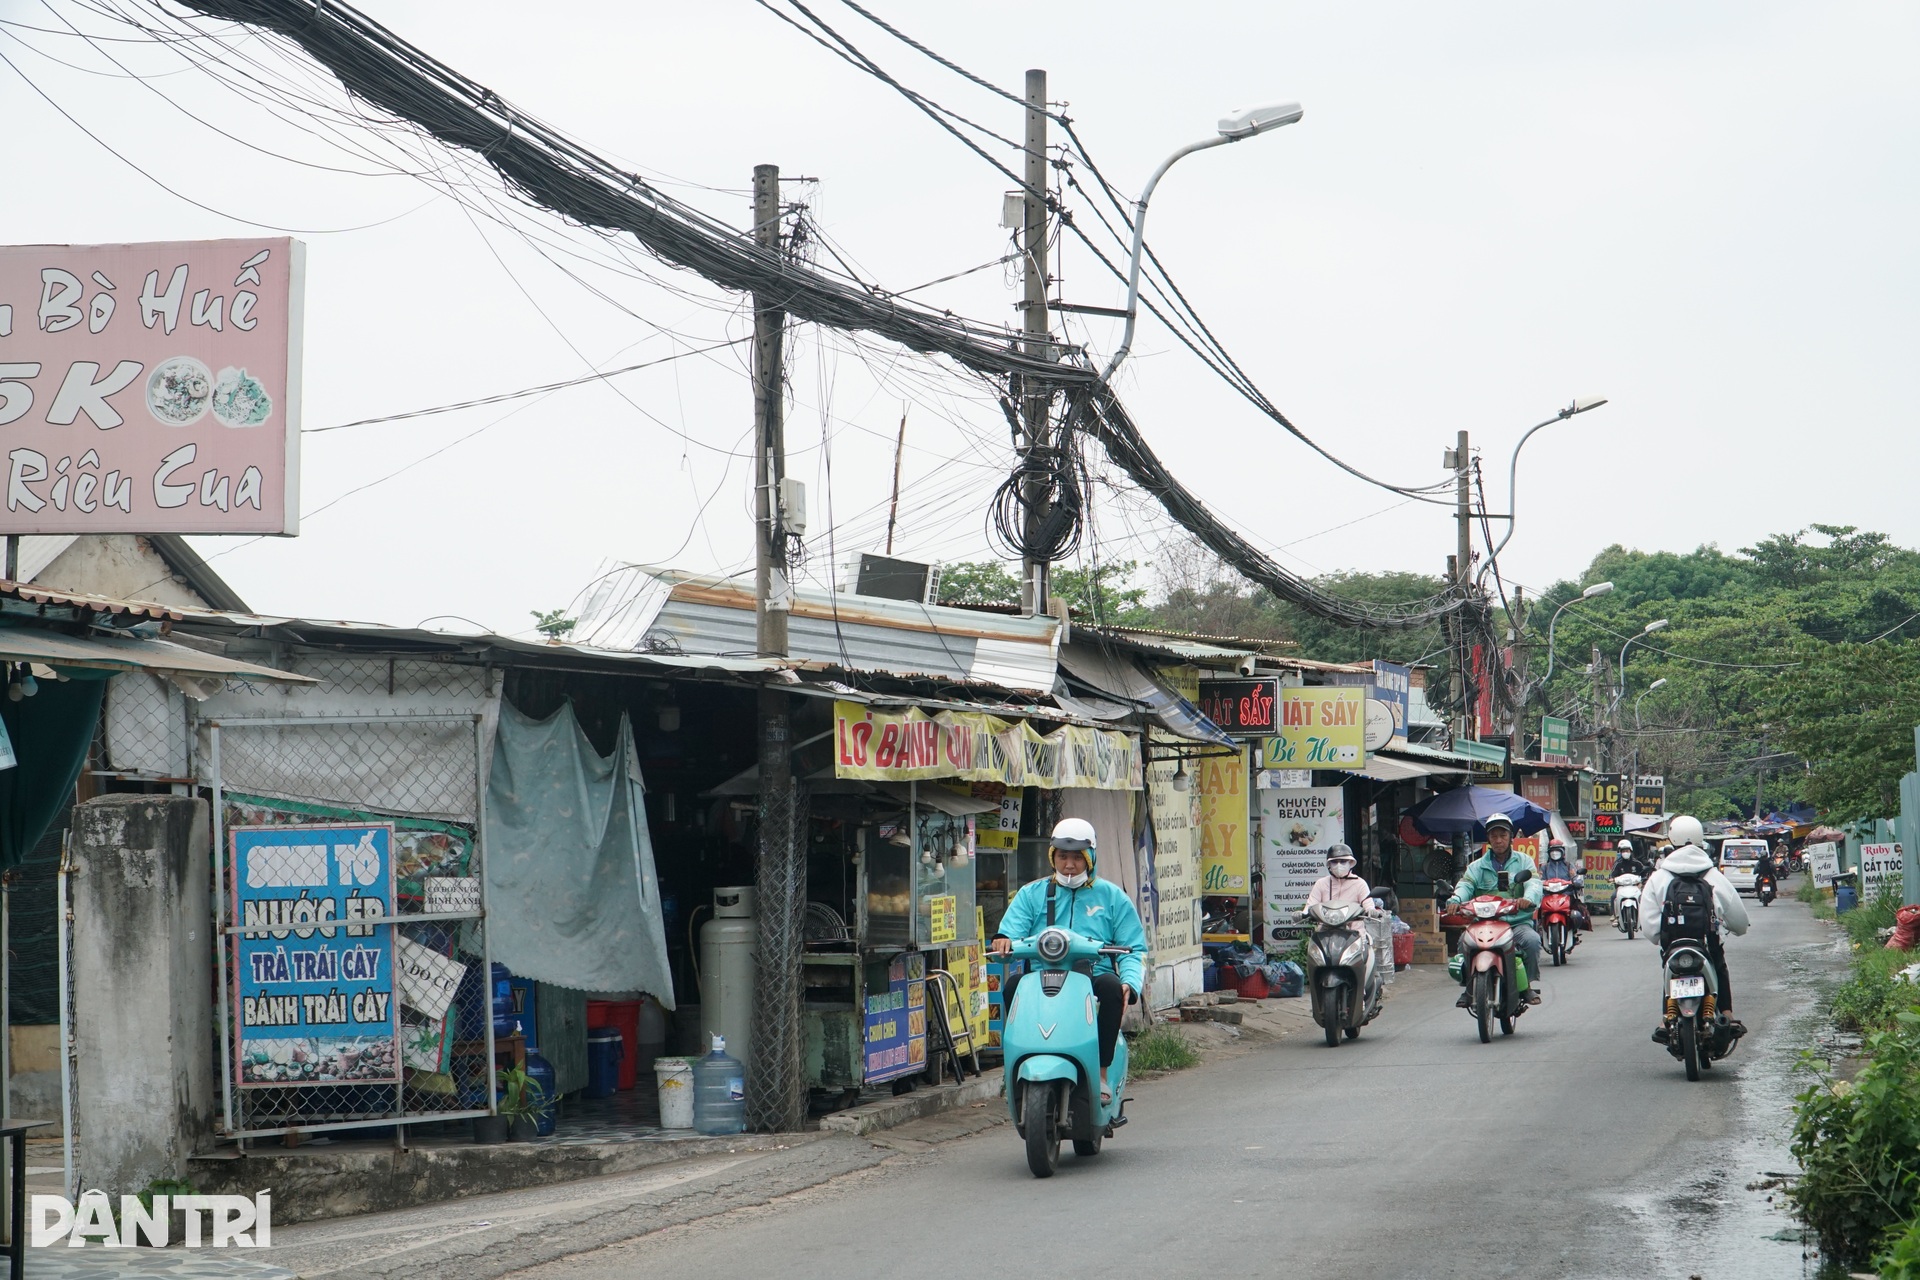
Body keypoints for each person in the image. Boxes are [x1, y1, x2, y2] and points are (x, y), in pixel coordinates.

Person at [991, 817, 1147, 1104]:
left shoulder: (1112, 897)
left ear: (1090, 857)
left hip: (1093, 975)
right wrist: (1003, 940)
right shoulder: (1031, 894)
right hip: (1042, 974)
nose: (1070, 865)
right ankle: (1016, 1065)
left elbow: (1134, 948)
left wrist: (1130, 982)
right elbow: (1010, 930)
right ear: (1053, 857)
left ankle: (1101, 1073)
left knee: (1111, 988)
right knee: (1013, 986)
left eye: (1077, 857)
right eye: (1063, 856)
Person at [1640, 814, 1750, 1042]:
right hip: (1707, 945)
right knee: (1719, 965)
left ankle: (1665, 1019)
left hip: (1673, 947)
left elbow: (1650, 929)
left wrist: (1663, 937)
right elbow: (1739, 921)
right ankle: (1727, 1014)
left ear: (1671, 840)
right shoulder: (1714, 876)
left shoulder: (1658, 878)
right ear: (1701, 839)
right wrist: (1735, 929)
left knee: (1669, 971)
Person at [1446, 812, 1545, 1007]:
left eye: (1503, 835)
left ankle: (1526, 985)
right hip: (1483, 923)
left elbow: (1533, 883)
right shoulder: (1476, 866)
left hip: (1515, 923)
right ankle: (1469, 986)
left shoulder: (1524, 861)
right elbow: (1466, 885)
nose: (1498, 840)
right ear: (1488, 839)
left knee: (1532, 941)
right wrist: (1456, 900)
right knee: (1463, 943)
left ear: (1511, 837)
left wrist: (1528, 899)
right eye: (1494, 836)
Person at [1306, 843, 1378, 912]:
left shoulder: (1359, 883)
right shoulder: (1321, 883)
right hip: (1326, 920)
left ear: (1350, 863)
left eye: (1343, 861)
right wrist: (1303, 914)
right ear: (1329, 865)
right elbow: (1311, 905)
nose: (1339, 865)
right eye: (1334, 862)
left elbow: (1368, 904)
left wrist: (1371, 911)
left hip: (1353, 921)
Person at [1540, 840, 1590, 934]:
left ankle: (1574, 928)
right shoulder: (1545, 867)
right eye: (1552, 852)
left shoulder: (1568, 866)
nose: (1555, 854)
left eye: (1557, 851)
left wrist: (1576, 882)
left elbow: (1576, 878)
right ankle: (1540, 927)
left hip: (1566, 895)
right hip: (1548, 896)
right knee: (1538, 910)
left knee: (1576, 911)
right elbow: (1539, 880)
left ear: (1562, 852)